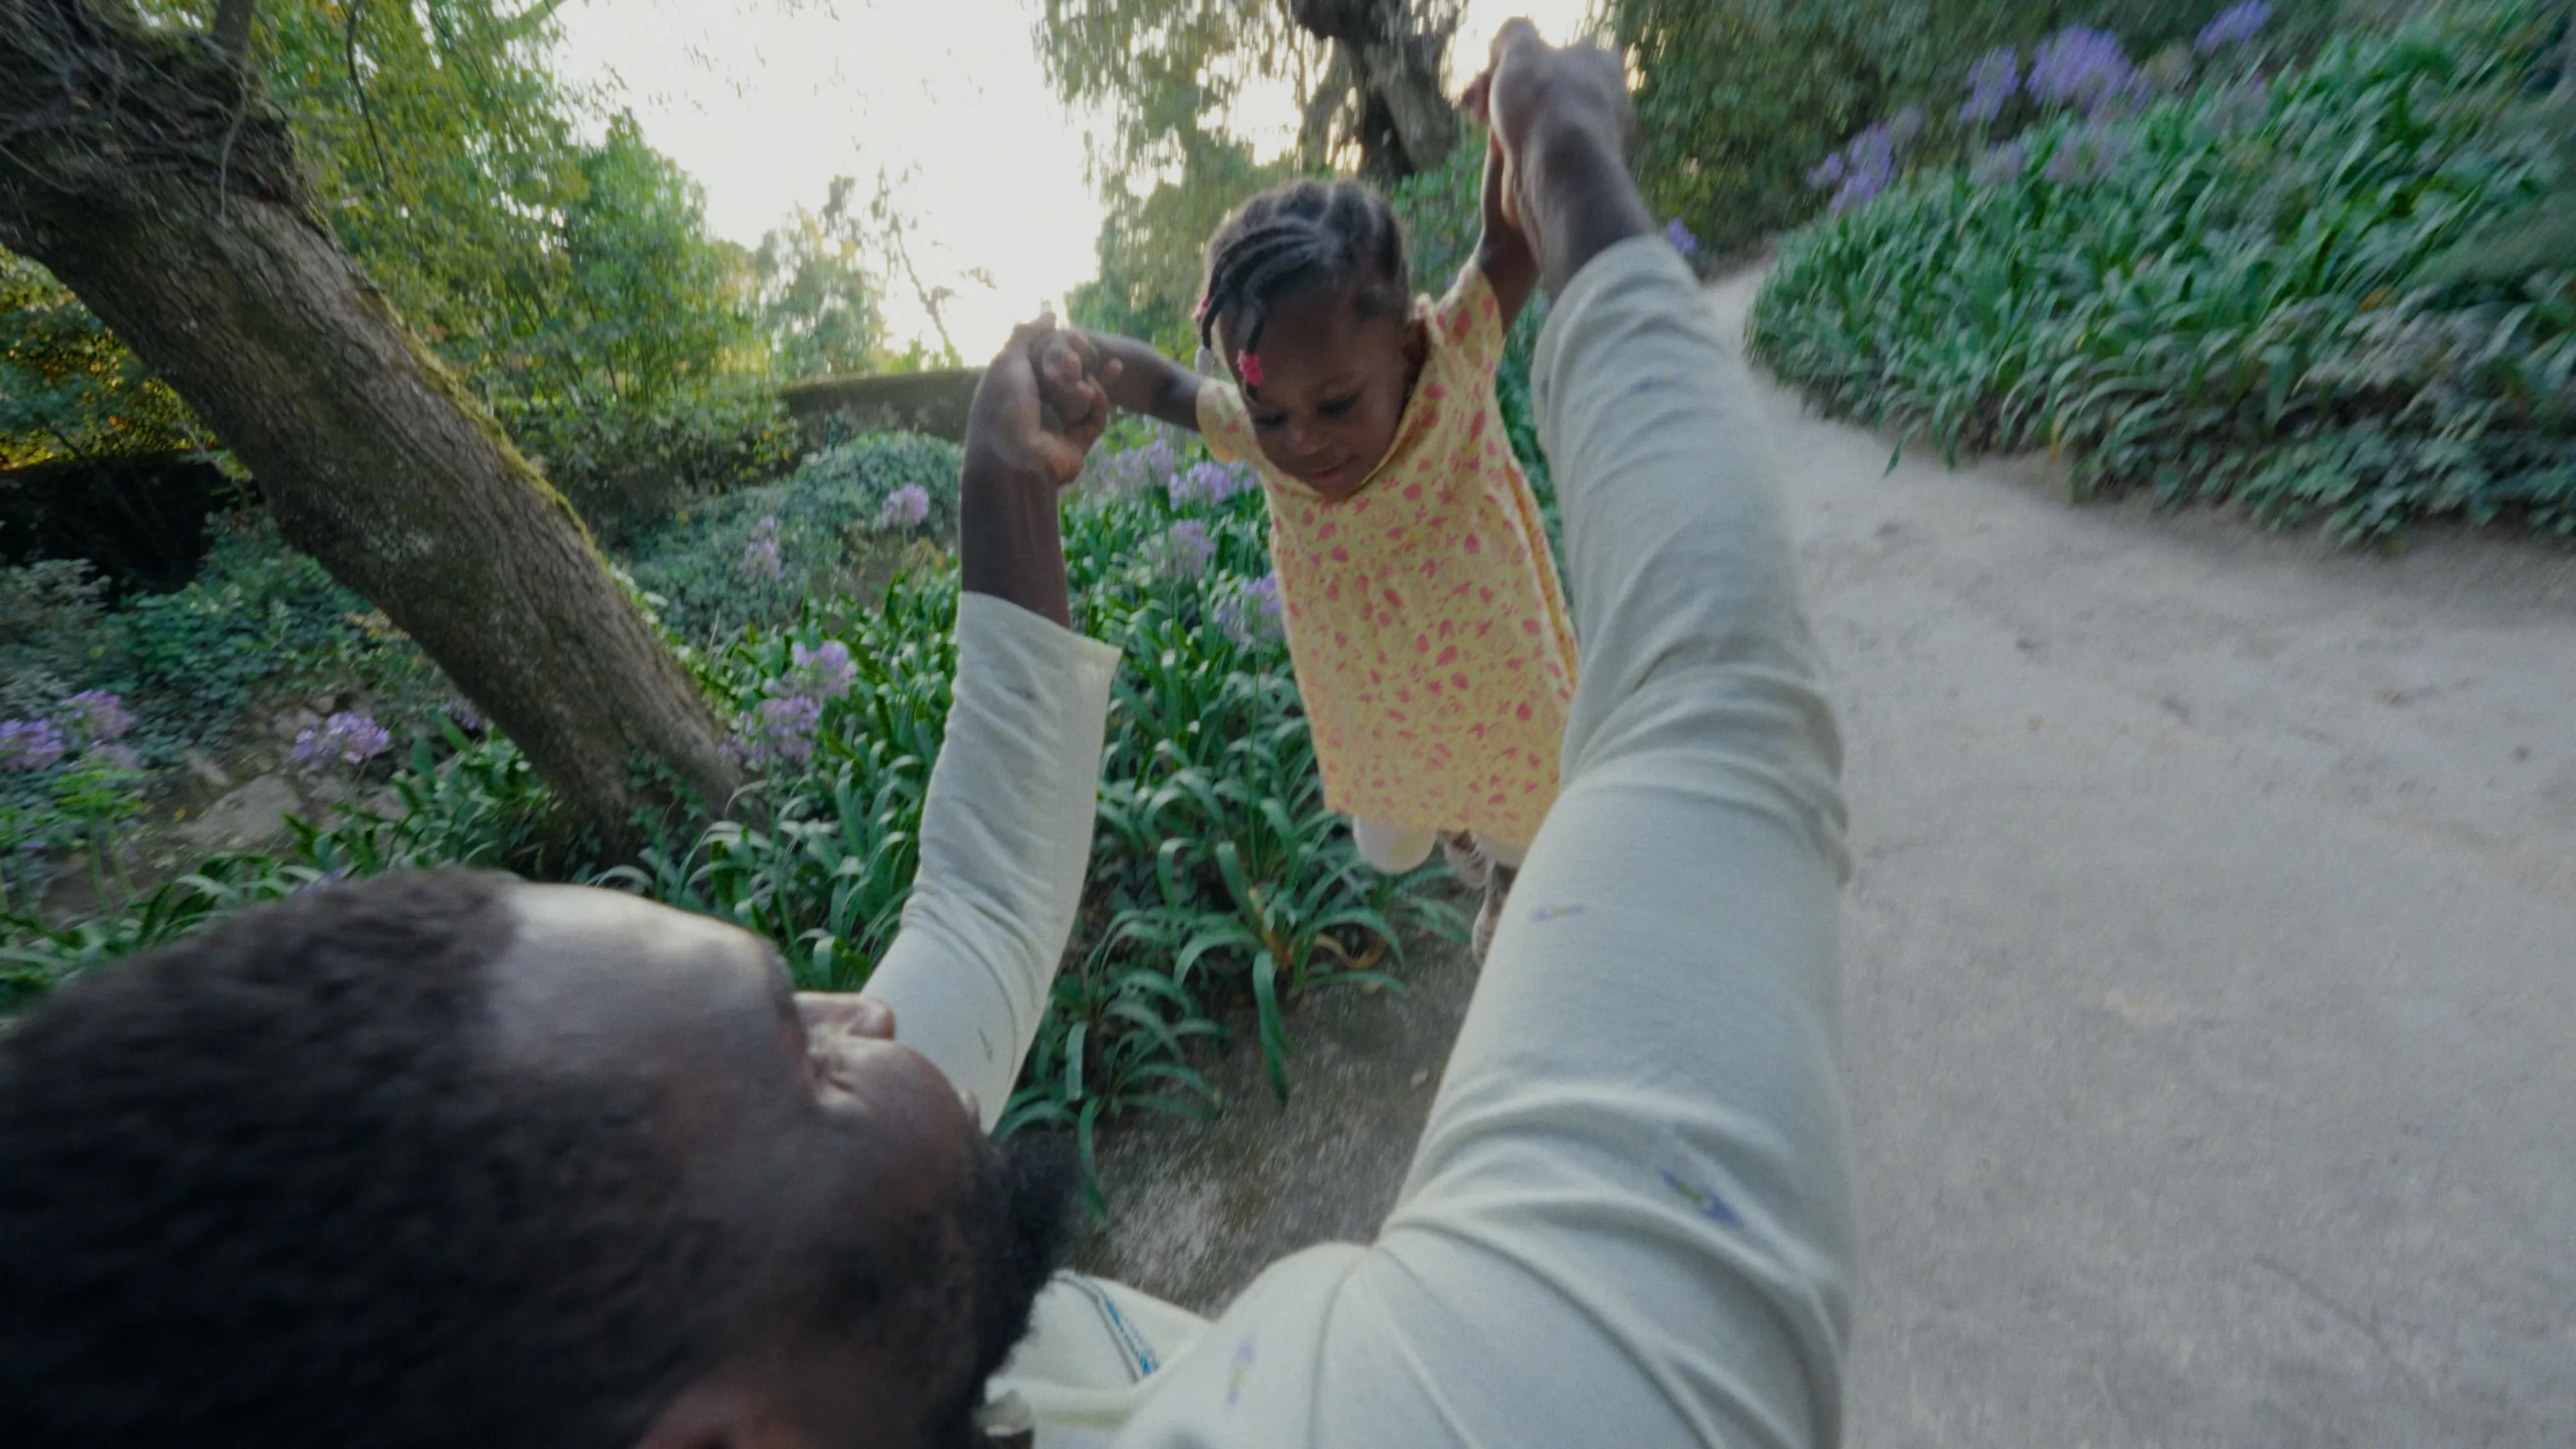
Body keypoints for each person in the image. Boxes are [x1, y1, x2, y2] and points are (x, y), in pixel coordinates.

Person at [0, 19, 1854, 1449]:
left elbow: (971, 917)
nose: (862, 1006)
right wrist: (1587, 175)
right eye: (800, 1058)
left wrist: (1006, 496)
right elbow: (1709, 732)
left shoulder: (781, 1326)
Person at [1042, 157, 1577, 959]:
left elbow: (1513, 237)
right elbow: (1157, 387)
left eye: (1335, 404)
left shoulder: (1452, 363)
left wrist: (1513, 106)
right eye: (1270, 413)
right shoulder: (1261, 441)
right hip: (1380, 698)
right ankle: (1455, 818)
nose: (1303, 441)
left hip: (1495, 670)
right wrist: (1071, 353)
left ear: (1401, 349)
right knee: (1391, 841)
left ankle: (1502, 872)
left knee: (1527, 815)